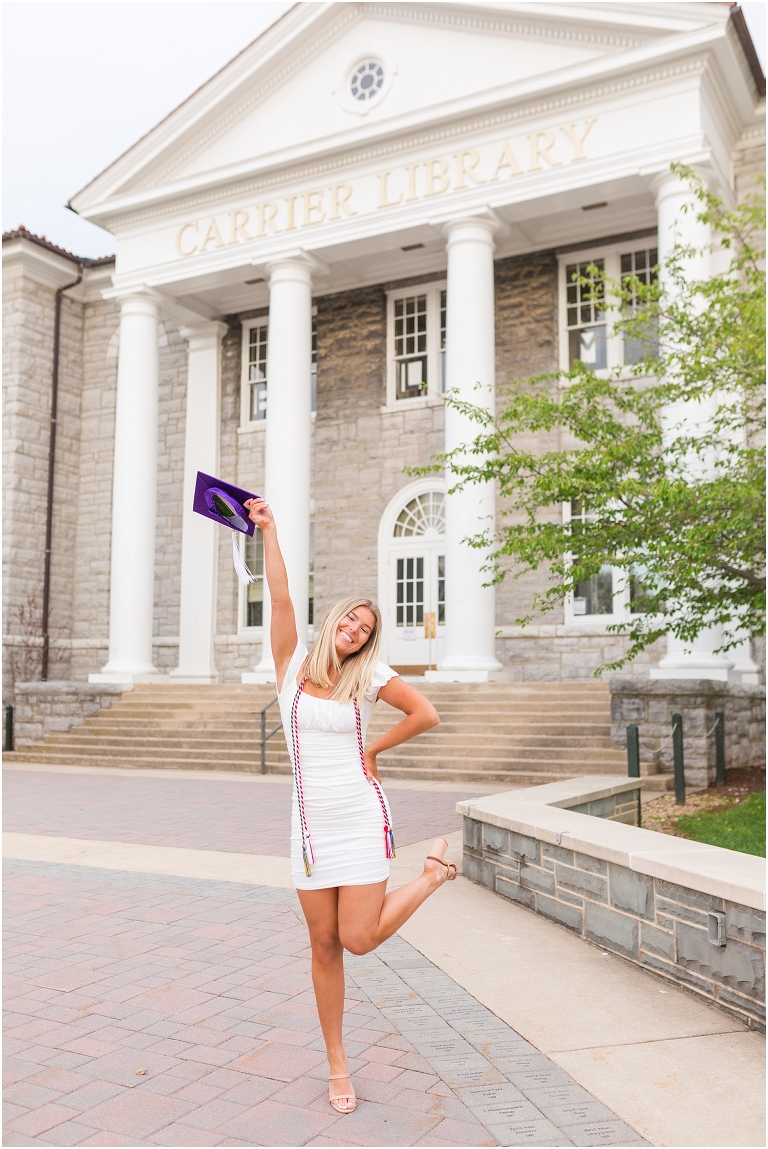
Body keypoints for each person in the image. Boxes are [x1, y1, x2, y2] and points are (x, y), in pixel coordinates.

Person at [245, 498, 457, 1115]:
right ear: (334, 619)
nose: (357, 631)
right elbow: (282, 600)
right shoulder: (291, 666)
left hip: (359, 816)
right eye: (351, 621)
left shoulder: (369, 675)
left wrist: (375, 750)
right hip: (310, 828)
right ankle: (337, 1063)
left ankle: (431, 876)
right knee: (324, 946)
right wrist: (269, 531)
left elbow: (426, 712)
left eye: (366, 629)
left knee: (358, 939)